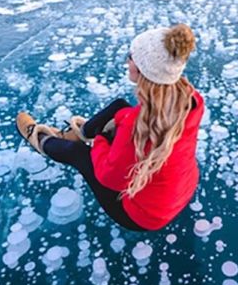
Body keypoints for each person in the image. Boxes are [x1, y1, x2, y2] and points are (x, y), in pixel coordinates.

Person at [16, 23, 204, 231]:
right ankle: (82, 132)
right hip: (180, 191)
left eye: (131, 57)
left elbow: (109, 178)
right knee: (120, 107)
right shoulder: (191, 98)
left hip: (144, 215)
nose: (127, 60)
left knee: (78, 152)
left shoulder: (137, 123)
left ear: (143, 70)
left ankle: (40, 139)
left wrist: (101, 140)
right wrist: (121, 119)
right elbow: (137, 122)